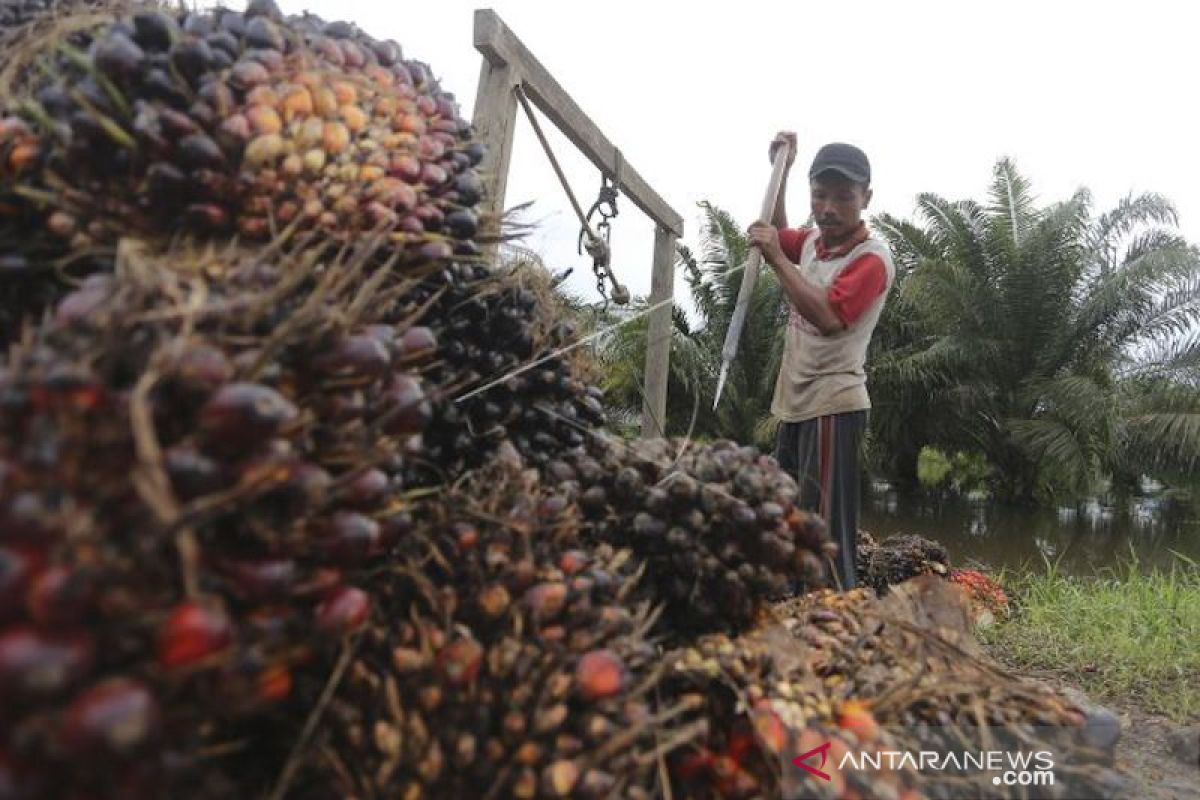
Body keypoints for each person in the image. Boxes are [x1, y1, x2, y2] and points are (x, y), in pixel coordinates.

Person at [747, 133, 895, 590]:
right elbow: (778, 230)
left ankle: (837, 619)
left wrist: (774, 257)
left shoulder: (871, 258)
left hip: (834, 405)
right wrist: (783, 170)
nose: (828, 208)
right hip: (796, 403)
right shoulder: (813, 242)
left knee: (826, 531)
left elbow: (830, 316)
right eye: (819, 196)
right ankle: (796, 608)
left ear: (866, 198)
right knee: (789, 514)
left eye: (843, 198)